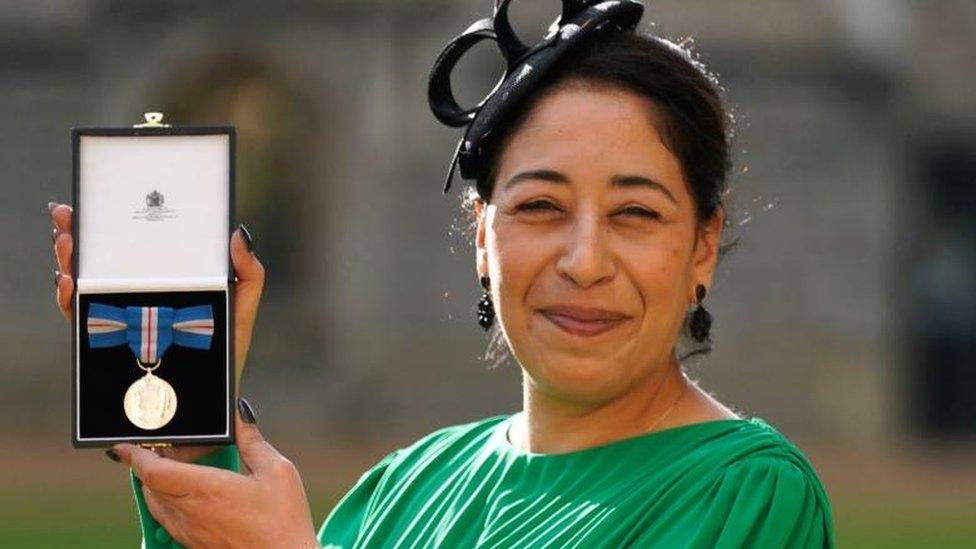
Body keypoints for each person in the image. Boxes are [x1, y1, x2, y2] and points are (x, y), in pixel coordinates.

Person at [48, 1, 836, 547]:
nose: (584, 261)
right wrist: (193, 450)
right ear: (482, 238)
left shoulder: (750, 495)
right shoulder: (406, 486)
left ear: (702, 245)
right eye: (540, 207)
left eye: (635, 214)